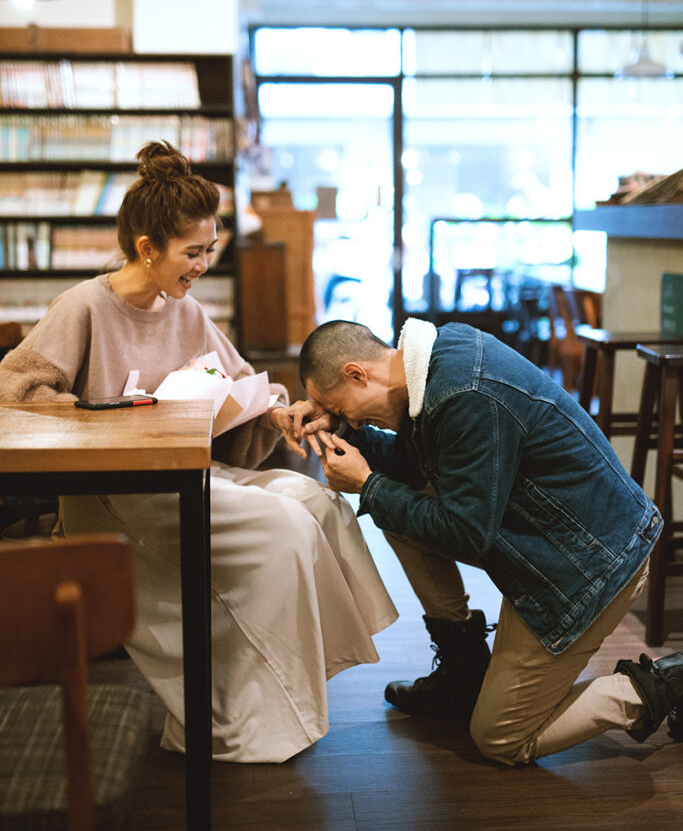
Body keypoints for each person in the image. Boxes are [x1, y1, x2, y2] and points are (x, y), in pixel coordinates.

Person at [0, 142, 397, 764]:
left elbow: (241, 383)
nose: (204, 265)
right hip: (117, 496)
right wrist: (104, 420)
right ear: (147, 248)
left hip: (185, 474)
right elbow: (15, 394)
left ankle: (282, 690)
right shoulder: (83, 306)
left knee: (314, 500)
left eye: (210, 250)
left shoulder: (182, 309)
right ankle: (240, 720)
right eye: (193, 253)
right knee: (284, 523)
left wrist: (276, 411)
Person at [275, 316, 683, 766]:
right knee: (395, 511)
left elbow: (467, 533)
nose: (348, 418)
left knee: (501, 739)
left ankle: (660, 685)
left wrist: (368, 485)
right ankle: (463, 673)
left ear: (357, 373)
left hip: (591, 567)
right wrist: (344, 431)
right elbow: (416, 466)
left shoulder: (464, 393)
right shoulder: (431, 363)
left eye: (342, 407)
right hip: (557, 546)